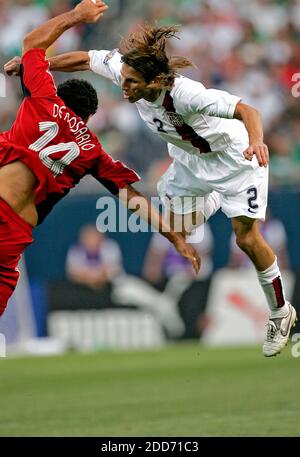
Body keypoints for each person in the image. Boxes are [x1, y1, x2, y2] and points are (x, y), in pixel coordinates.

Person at [7, 21, 297, 357]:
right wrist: (37, 64)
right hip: (191, 163)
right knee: (180, 229)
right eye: (124, 80)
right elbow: (86, 59)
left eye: (131, 83)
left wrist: (258, 142)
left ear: (156, 82)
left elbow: (248, 110)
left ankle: (280, 312)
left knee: (246, 238)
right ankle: (217, 197)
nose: (124, 88)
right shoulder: (125, 71)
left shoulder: (187, 94)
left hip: (234, 159)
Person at [0, 2, 200, 319]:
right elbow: (132, 198)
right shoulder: (92, 151)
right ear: (90, 117)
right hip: (13, 236)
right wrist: (173, 235)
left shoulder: (44, 98)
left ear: (59, 94)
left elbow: (31, 43)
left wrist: (77, 16)